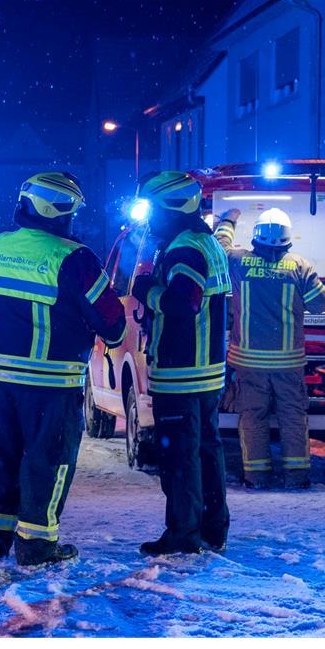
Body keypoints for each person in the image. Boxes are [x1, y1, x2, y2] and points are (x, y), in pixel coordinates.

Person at [0, 172, 126, 566]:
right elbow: (112, 323)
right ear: (63, 213)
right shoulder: (74, 258)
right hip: (49, 381)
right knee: (48, 459)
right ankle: (37, 544)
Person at [130, 171, 232, 556]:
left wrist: (148, 291)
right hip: (205, 373)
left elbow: (182, 304)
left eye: (152, 210)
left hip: (181, 372)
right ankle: (212, 528)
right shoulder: (206, 243)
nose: (149, 220)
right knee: (206, 450)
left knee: (179, 458)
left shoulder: (184, 250)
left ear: (171, 208)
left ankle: (183, 535)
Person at [215, 207, 325, 489]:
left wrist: (228, 221)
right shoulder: (301, 266)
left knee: (253, 418)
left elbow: (218, 248)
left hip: (249, 363)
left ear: (256, 238)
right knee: (293, 418)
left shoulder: (239, 262)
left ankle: (256, 477)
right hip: (288, 363)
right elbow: (320, 303)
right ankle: (297, 477)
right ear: (288, 239)